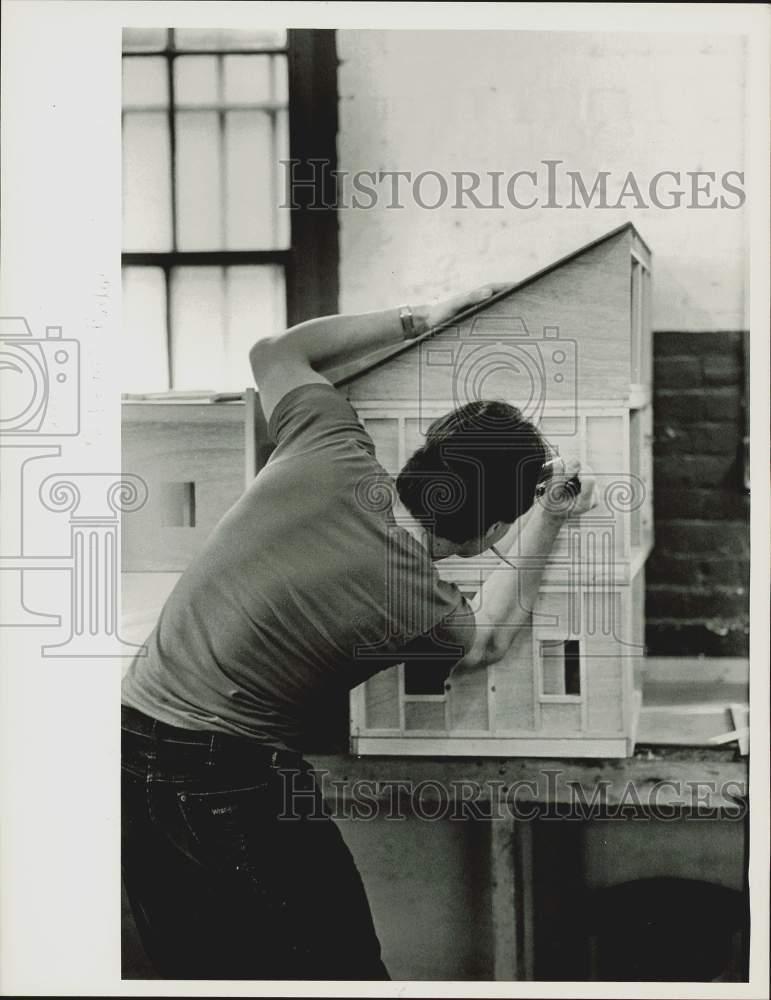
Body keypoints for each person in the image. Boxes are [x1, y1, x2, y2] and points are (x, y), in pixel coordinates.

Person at [121, 285, 597, 980]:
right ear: (489, 532)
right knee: (339, 972)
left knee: (192, 972)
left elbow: (273, 350)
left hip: (126, 739)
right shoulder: (422, 605)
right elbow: (491, 638)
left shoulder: (329, 443)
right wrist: (551, 519)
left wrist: (421, 317)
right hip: (225, 775)